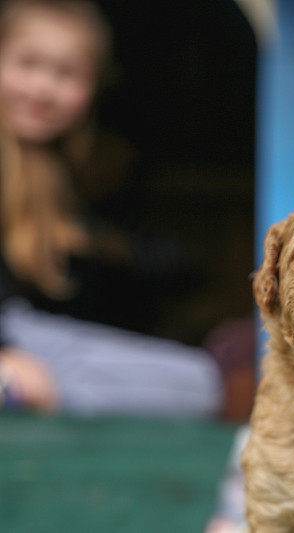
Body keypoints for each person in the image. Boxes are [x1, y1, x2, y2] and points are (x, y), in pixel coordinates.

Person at [0, 0, 222, 417]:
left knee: (198, 382)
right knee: (197, 386)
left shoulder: (66, 169)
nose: (42, 88)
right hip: (13, 332)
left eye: (65, 75)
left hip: (30, 329)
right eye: (27, 64)